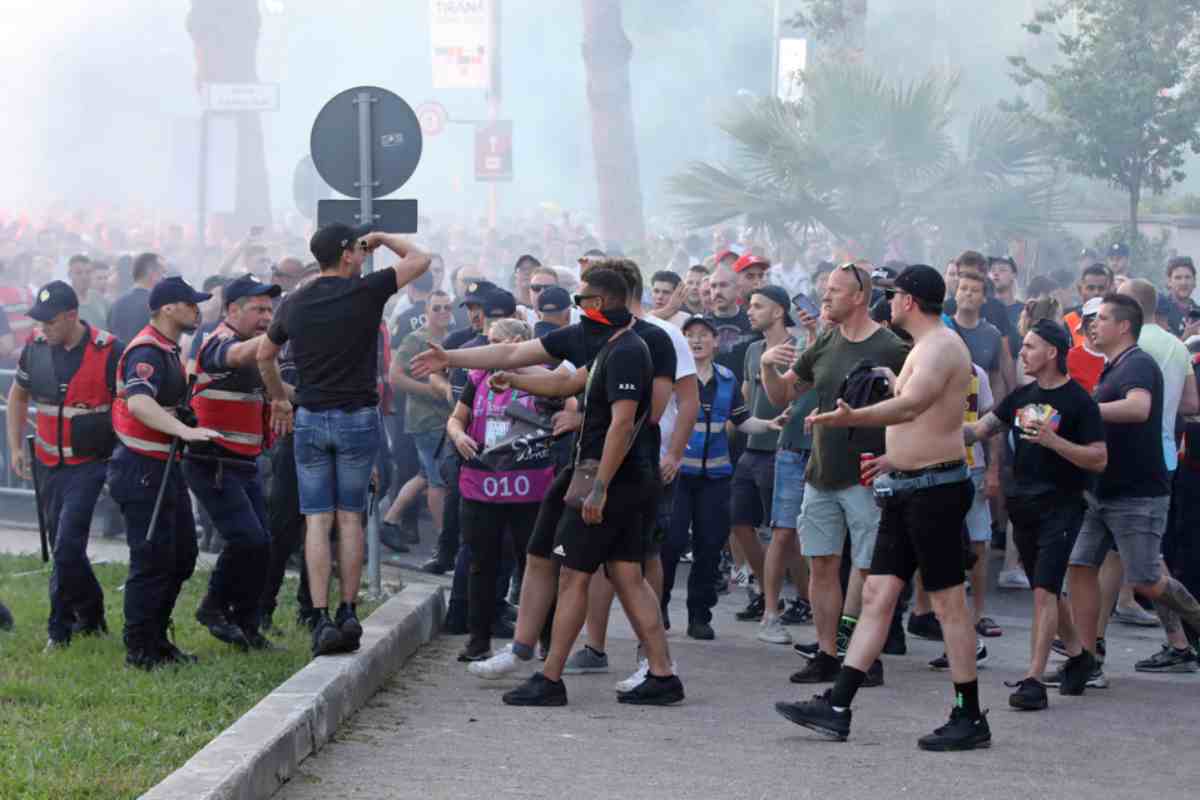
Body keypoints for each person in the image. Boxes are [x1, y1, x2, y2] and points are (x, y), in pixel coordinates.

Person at [774, 264, 989, 751]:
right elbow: (928, 418)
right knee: (877, 596)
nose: (887, 302)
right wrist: (895, 456)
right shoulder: (921, 349)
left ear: (909, 300)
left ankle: (970, 716)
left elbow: (910, 407)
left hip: (935, 492)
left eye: (893, 295)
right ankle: (837, 706)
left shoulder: (941, 347)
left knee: (949, 604)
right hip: (907, 486)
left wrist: (851, 415)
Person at [495, 268, 683, 706]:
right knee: (626, 574)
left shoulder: (627, 351)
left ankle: (550, 679)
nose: (576, 308)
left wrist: (598, 488)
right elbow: (567, 383)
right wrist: (516, 379)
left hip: (611, 480)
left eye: (582, 299)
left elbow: (623, 422)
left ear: (600, 303)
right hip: (620, 478)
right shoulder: (610, 346)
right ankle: (662, 674)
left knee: (574, 576)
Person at [257, 224, 431, 657]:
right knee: (350, 518)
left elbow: (264, 354)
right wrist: (386, 237)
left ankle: (318, 618)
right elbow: (421, 261)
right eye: (358, 248)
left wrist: (280, 399)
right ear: (347, 255)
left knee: (317, 520)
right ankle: (349, 611)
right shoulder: (367, 292)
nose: (363, 253)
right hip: (356, 417)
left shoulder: (295, 302)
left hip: (311, 418)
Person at [760, 264, 908, 685]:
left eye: (833, 291)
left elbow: (918, 408)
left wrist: (894, 458)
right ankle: (827, 654)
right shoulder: (824, 342)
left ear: (858, 297)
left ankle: (863, 657)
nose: (824, 298)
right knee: (821, 564)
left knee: (866, 570)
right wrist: (768, 366)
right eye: (824, 291)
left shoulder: (892, 348)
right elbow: (783, 394)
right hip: (820, 472)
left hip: (867, 475)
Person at [965, 320, 1107, 710]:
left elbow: (1098, 457)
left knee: (1044, 590)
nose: (1022, 353)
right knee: (1044, 590)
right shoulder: (1021, 396)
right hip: (1022, 505)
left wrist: (1054, 440)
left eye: (1030, 347)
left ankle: (1033, 680)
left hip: (1061, 505)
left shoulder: (1080, 401)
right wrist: (933, 431)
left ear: (1051, 354)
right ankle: (1079, 658)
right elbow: (981, 430)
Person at [1065, 294, 1200, 690]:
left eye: (1103, 318)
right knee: (1080, 565)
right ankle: (1085, 661)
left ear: (1123, 326)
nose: (1093, 324)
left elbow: (1138, 408)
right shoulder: (1113, 366)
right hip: (1103, 492)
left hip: (1137, 494)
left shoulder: (1138, 363)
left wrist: (1087, 411)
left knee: (1146, 579)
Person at [109, 276, 220, 669]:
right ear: (169, 308)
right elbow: (140, 404)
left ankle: (156, 639)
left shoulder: (169, 349)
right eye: (191, 304)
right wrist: (185, 430)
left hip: (164, 466)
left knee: (182, 556)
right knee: (151, 558)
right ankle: (140, 649)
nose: (197, 310)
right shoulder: (147, 351)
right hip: (141, 468)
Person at [6, 281, 124, 650]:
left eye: (50, 322)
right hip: (46, 463)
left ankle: (58, 629)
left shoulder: (109, 350)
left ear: (72, 316)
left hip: (88, 465)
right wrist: (15, 447)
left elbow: (128, 404)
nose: (42, 329)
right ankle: (91, 613)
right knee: (64, 548)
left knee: (68, 545)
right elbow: (18, 396)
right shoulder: (35, 349)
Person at [660, 316, 782, 639]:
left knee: (709, 546)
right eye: (690, 336)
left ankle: (700, 616)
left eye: (703, 335)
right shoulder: (672, 377)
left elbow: (741, 420)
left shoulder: (726, 379)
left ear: (716, 342)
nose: (696, 341)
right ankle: (657, 610)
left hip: (715, 477)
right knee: (669, 544)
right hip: (676, 474)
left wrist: (767, 425)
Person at [447, 318, 556, 662]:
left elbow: (568, 410)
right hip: (481, 485)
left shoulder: (542, 378)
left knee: (534, 564)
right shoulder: (478, 378)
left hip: (529, 488)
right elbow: (455, 418)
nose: (487, 347)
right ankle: (478, 640)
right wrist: (459, 435)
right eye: (487, 341)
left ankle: (547, 640)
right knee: (482, 563)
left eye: (495, 342)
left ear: (518, 344)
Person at [184, 274, 281, 651]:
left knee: (264, 545)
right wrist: (281, 335)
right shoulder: (219, 341)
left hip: (245, 462)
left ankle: (247, 623)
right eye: (258, 309)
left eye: (270, 311)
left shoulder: (255, 347)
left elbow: (277, 388)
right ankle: (213, 606)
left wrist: (310, 397)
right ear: (232, 310)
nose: (266, 317)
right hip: (213, 462)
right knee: (248, 539)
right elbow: (239, 357)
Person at [729, 286, 806, 643]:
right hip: (752, 445)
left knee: (785, 534)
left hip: (783, 448)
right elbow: (747, 395)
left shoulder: (799, 348)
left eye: (757, 305)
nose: (749, 310)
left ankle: (801, 600)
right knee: (739, 521)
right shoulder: (752, 349)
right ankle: (765, 590)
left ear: (779, 311)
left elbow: (800, 394)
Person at [386, 291, 456, 556]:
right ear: (426, 312)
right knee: (437, 482)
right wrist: (431, 391)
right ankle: (443, 542)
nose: (442, 312)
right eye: (436, 308)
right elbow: (395, 377)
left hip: (444, 419)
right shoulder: (416, 340)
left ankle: (389, 520)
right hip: (426, 420)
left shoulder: (453, 338)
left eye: (447, 307)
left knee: (426, 475)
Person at [705, 259, 758, 383]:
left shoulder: (753, 321)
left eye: (723, 285)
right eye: (713, 286)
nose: (717, 291)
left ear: (738, 289)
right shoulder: (701, 324)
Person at [107, 252, 165, 344]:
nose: (163, 279)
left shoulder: (116, 304)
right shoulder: (157, 305)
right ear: (152, 273)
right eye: (162, 273)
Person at [1063, 264, 1114, 348]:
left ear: (1109, 291)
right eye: (1090, 288)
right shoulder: (1068, 320)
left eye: (1101, 288)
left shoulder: (1116, 320)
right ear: (1080, 290)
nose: (1096, 293)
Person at [1067, 297, 1106, 393]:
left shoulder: (1122, 357)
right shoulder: (1068, 359)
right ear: (1084, 325)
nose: (1097, 325)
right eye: (1092, 320)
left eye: (1104, 320)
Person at [68, 254, 109, 332]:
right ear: (70, 274)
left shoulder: (101, 299)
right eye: (79, 273)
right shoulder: (63, 301)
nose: (84, 276)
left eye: (88, 272)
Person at [1163, 256, 1198, 338]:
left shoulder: (1198, 312)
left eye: (1188, 277)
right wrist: (1185, 337)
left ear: (1194, 281)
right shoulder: (1160, 313)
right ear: (1169, 282)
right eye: (1178, 278)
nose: (1183, 283)